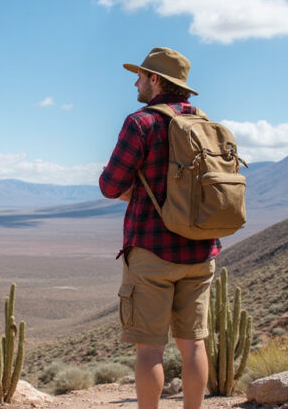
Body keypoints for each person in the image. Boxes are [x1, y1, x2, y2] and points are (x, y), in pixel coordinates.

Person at [99, 47, 220, 409]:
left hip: (152, 252)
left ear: (156, 80)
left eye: (140, 74)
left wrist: (137, 192)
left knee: (150, 349)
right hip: (200, 251)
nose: (135, 80)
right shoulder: (205, 123)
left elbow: (109, 185)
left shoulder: (141, 122)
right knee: (193, 344)